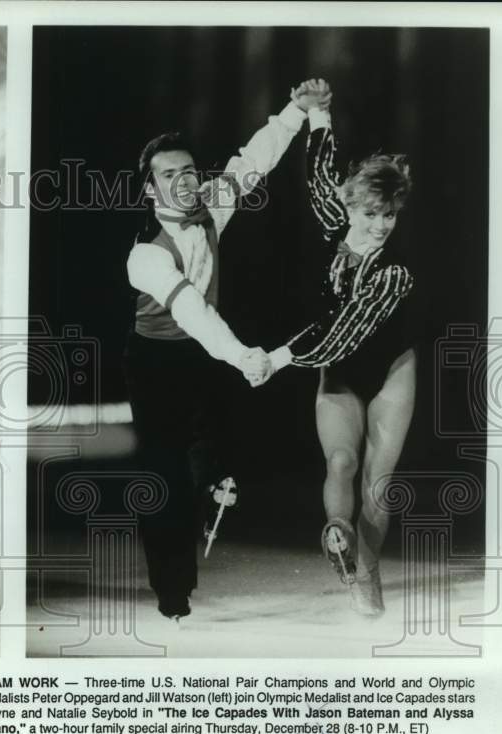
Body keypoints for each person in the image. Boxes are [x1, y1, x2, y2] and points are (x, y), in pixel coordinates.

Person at [123, 80, 330, 621]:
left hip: (200, 358)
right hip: (155, 363)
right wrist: (245, 357)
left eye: (189, 171)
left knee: (195, 470)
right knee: (164, 476)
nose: (185, 182)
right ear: (150, 190)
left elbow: (252, 161)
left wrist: (297, 110)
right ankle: (171, 587)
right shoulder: (145, 255)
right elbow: (193, 311)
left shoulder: (211, 208)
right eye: (169, 175)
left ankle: (208, 493)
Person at [261, 80, 416, 617]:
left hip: (392, 369)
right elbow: (320, 174)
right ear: (350, 208)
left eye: (389, 216)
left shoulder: (394, 271)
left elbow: (343, 326)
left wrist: (278, 358)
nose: (379, 226)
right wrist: (319, 113)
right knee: (343, 460)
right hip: (339, 375)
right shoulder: (337, 225)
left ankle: (367, 574)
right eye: (371, 214)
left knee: (379, 481)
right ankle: (340, 539)